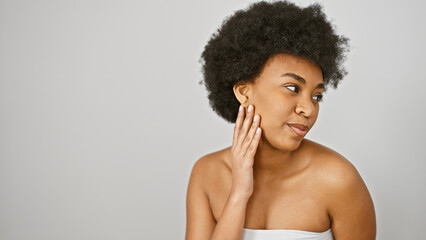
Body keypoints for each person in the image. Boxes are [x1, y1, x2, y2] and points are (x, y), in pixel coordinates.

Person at [185, 1, 376, 240]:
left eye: (317, 96)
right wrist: (238, 195)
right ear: (244, 92)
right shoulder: (207, 174)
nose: (308, 109)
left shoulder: (338, 180)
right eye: (292, 87)